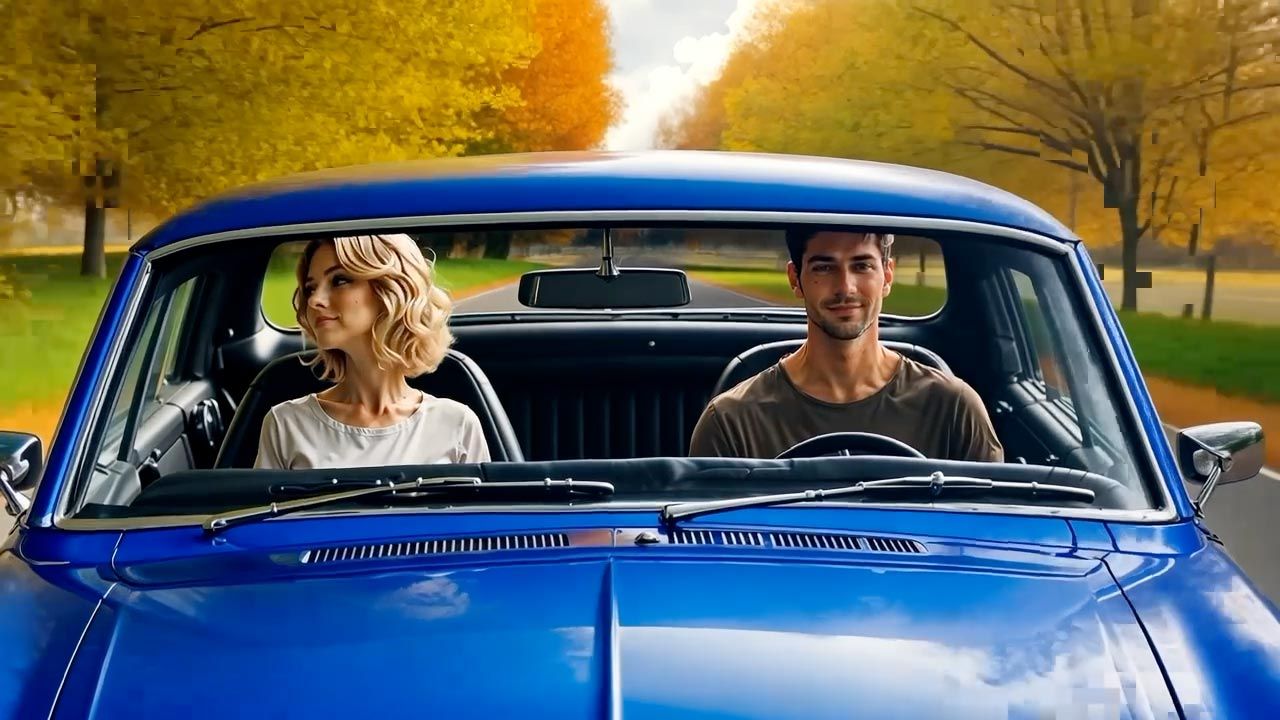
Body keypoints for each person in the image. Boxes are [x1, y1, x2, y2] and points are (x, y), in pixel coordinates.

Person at [688, 228, 1003, 462]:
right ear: (795, 279)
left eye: (862, 265)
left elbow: (990, 536)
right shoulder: (731, 421)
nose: (845, 287)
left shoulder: (954, 408)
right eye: (824, 267)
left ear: (888, 276)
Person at [255, 233, 490, 469]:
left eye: (339, 280)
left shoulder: (458, 425)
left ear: (390, 289)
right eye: (310, 287)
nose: (315, 300)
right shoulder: (285, 425)